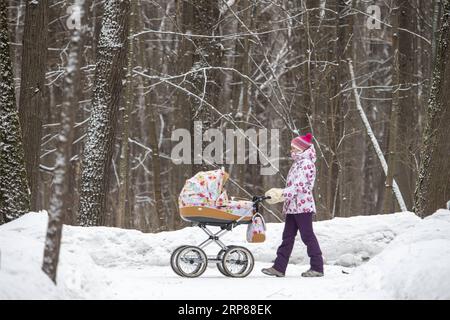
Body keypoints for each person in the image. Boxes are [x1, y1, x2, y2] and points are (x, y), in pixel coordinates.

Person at [262, 133, 324, 277]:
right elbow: (293, 186)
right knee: (287, 237)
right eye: (291, 148)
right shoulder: (297, 163)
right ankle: (279, 267)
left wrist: (281, 194)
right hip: (292, 206)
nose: (292, 151)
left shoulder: (307, 164)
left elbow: (300, 187)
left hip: (303, 207)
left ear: (301, 148)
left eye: (294, 148)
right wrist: (282, 195)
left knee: (307, 236)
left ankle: (317, 267)